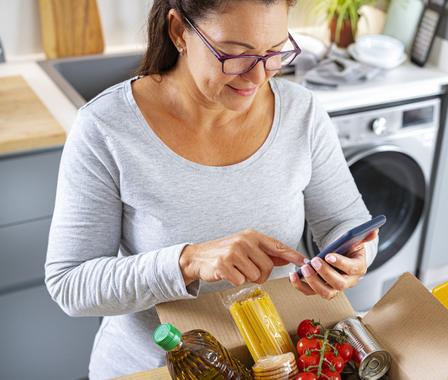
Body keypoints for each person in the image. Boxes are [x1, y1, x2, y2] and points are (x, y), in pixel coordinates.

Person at [44, 0, 378, 378]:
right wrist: (186, 261)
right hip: (156, 368)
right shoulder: (105, 127)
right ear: (178, 32)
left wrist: (354, 257)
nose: (258, 77)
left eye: (274, 52)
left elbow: (346, 222)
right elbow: (70, 284)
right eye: (235, 54)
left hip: (277, 362)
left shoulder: (302, 112)